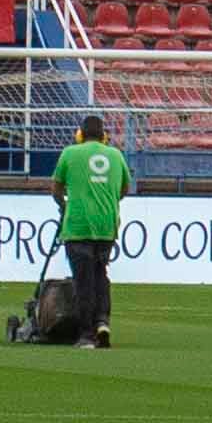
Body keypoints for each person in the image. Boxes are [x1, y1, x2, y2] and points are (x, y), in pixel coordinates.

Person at [52, 111, 131, 349]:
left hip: (78, 225)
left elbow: (56, 189)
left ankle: (86, 334)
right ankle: (102, 322)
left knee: (82, 280)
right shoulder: (116, 156)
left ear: (80, 135)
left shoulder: (69, 153)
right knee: (100, 275)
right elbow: (124, 188)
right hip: (106, 226)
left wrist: (65, 206)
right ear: (104, 137)